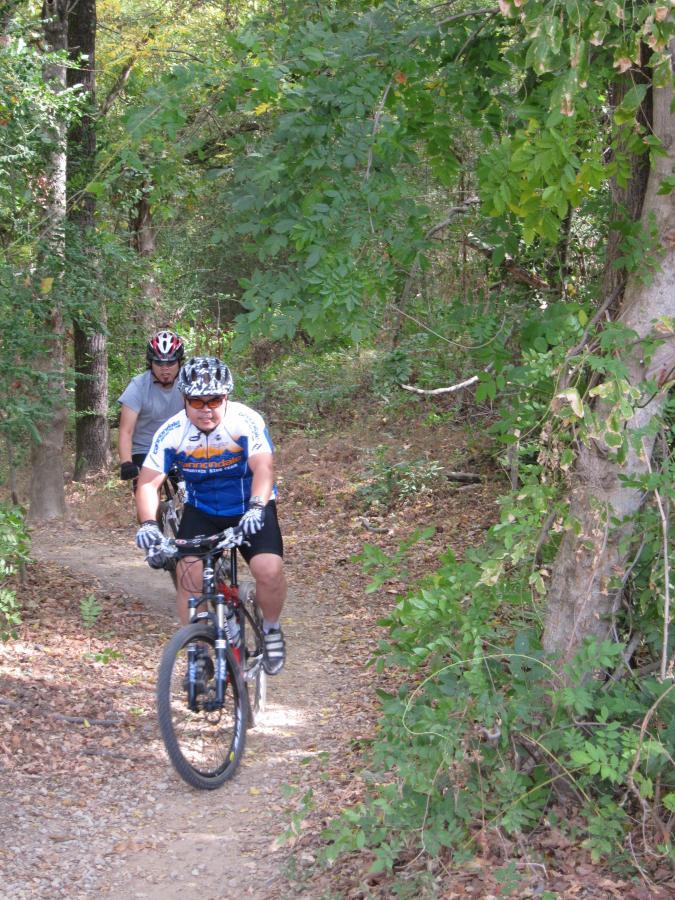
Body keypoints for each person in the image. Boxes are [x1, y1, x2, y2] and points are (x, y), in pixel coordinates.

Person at [133, 356, 286, 676]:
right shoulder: (172, 431)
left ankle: (271, 628)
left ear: (226, 397)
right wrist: (149, 524)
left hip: (249, 507)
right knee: (188, 577)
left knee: (268, 570)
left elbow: (263, 467)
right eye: (196, 401)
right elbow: (148, 482)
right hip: (202, 510)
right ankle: (198, 649)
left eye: (214, 399)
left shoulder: (245, 421)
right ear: (184, 399)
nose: (206, 408)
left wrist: (258, 506)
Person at [118, 330, 185, 484]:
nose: (165, 368)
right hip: (146, 448)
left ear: (180, 362)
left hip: (181, 445)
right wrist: (126, 462)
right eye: (159, 363)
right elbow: (126, 431)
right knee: (146, 492)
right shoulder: (138, 386)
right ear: (150, 363)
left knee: (191, 493)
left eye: (171, 362)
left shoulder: (187, 384)